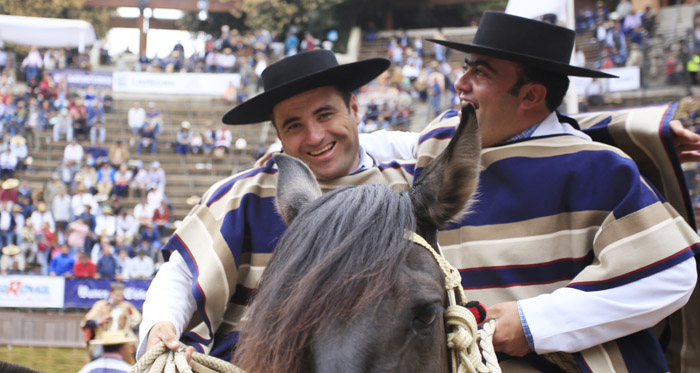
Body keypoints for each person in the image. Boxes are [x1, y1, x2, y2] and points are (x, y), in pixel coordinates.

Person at [420, 12, 697, 371]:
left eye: (481, 73)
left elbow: (671, 274)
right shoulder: (440, 142)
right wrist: (633, 130)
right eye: (466, 67)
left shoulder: (597, 167)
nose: (460, 82)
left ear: (531, 95)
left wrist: (534, 323)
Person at [138, 50, 413, 360]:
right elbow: (182, 274)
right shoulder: (243, 197)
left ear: (353, 109)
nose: (315, 136)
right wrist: (162, 322)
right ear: (279, 135)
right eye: (294, 126)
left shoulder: (408, 176)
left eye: (325, 115)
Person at [82, 282, 141, 361]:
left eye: (121, 296)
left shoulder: (127, 306)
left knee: (136, 357)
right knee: (96, 357)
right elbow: (86, 322)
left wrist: (129, 324)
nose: (119, 298)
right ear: (111, 293)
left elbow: (137, 320)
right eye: (117, 295)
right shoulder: (101, 305)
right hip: (102, 340)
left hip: (123, 339)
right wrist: (99, 321)